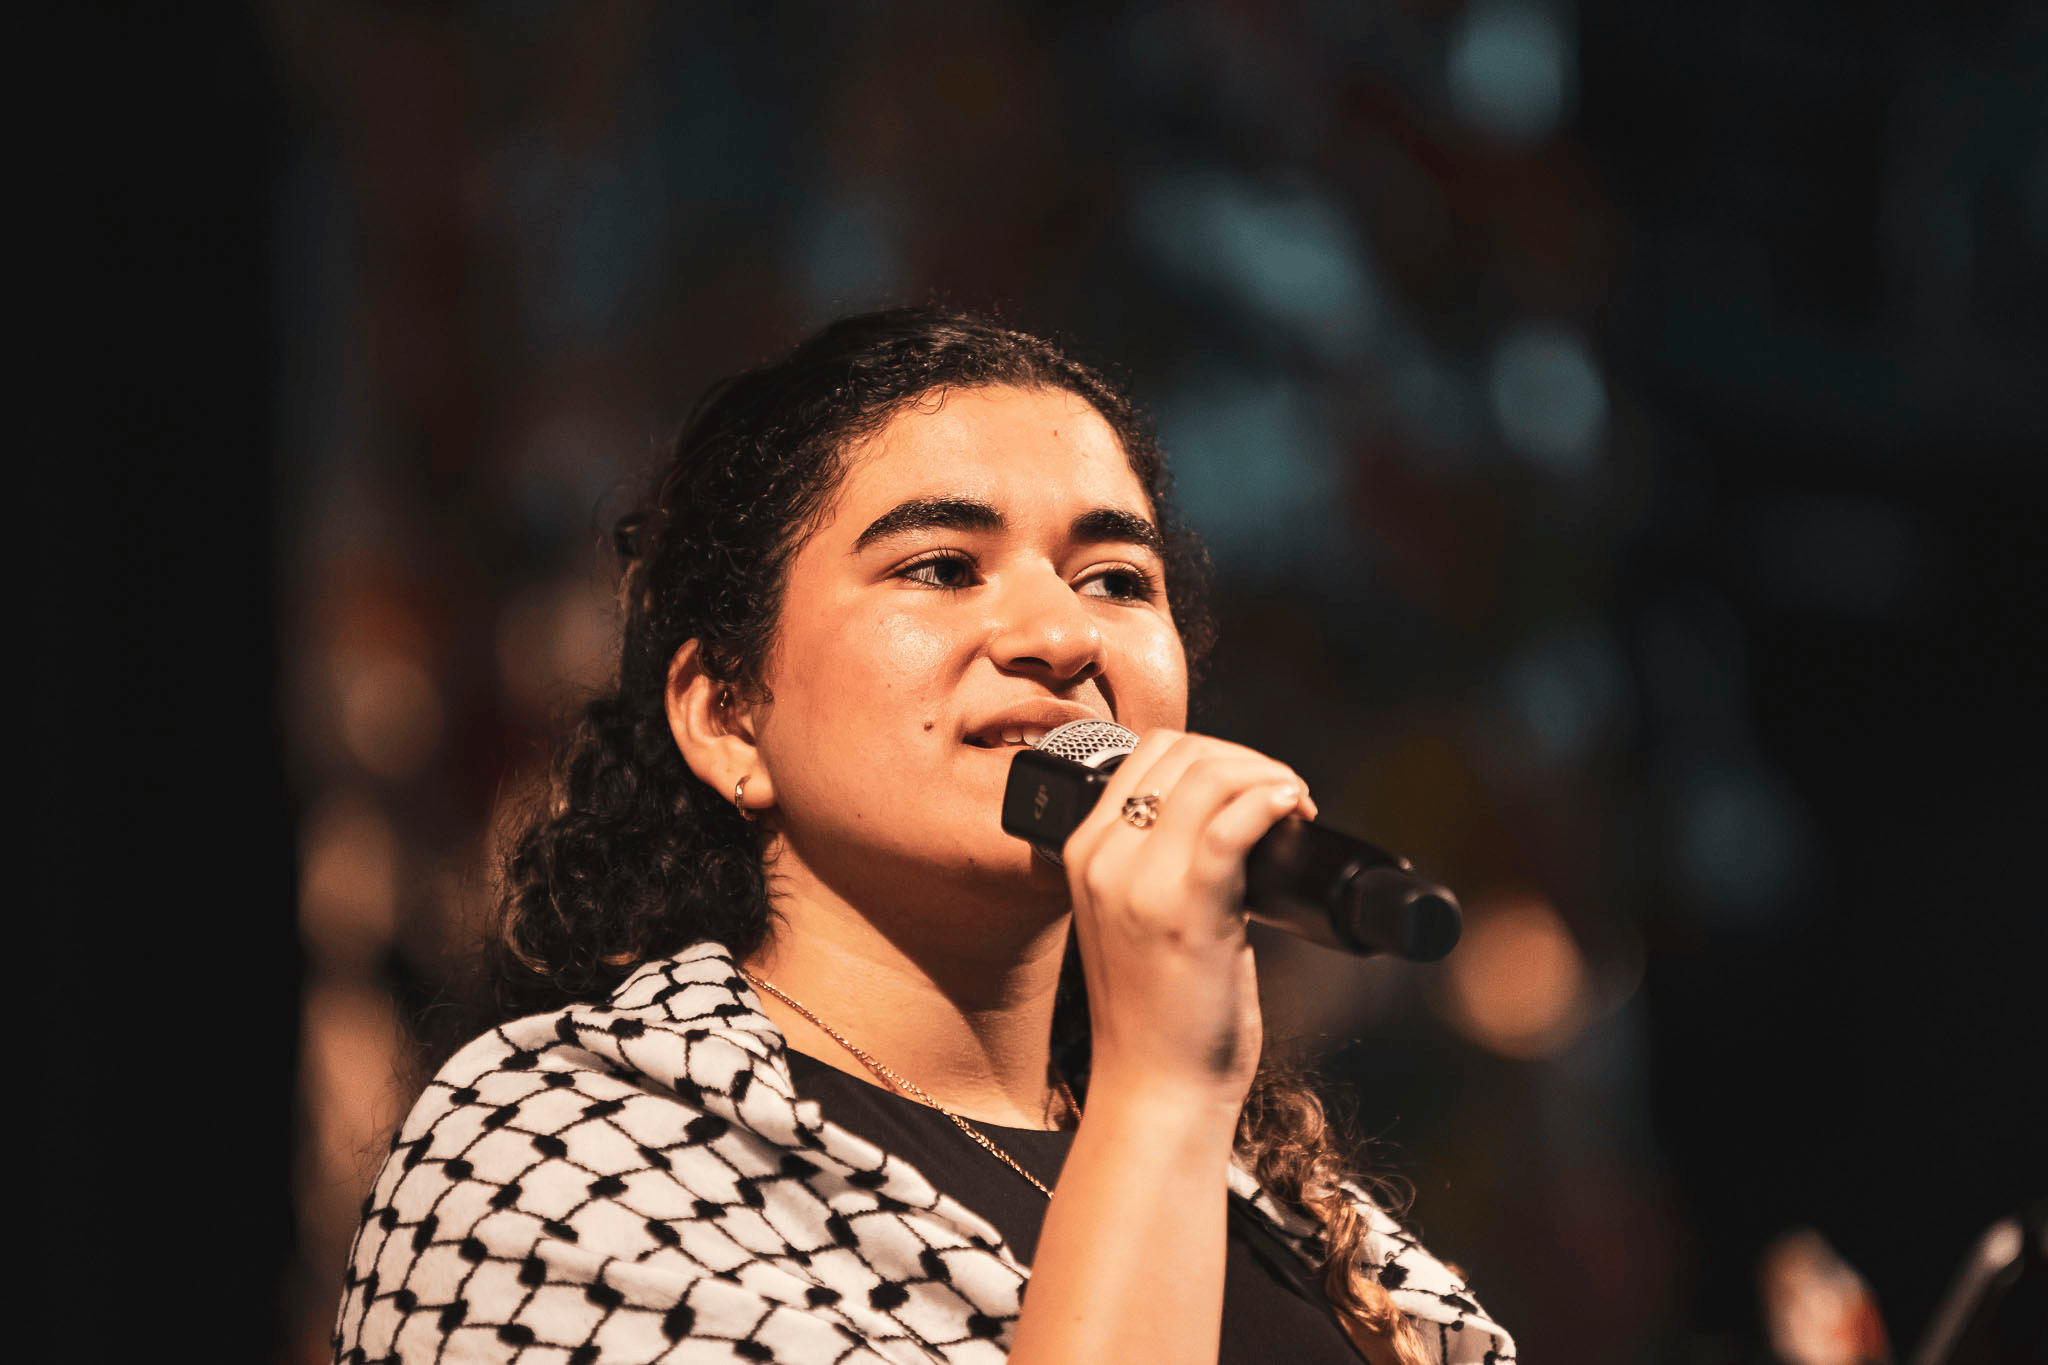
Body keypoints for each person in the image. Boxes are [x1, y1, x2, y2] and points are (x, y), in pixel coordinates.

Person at [333, 308, 1516, 1365]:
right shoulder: (555, 1155)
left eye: (1115, 579)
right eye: (942, 568)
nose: (1060, 635)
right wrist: (1157, 1092)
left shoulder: (1301, 1222)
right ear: (727, 717)